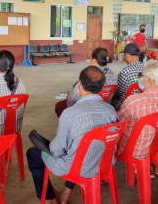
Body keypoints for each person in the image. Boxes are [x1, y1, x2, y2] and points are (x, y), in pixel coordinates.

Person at [27, 66, 118, 204]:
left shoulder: (70, 114)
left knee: (34, 153)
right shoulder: (111, 111)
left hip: (76, 168)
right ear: (101, 88)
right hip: (103, 163)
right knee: (80, 149)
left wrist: (47, 147)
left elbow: (56, 150)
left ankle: (50, 198)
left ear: (79, 85)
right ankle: (64, 194)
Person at [117, 60, 158, 175]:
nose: (140, 79)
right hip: (155, 149)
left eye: (141, 76)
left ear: (149, 80)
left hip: (133, 151)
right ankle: (148, 166)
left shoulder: (134, 100)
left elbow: (118, 123)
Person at [111, 43, 144, 110]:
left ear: (127, 56)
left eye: (124, 55)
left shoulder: (125, 72)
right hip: (142, 102)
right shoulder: (146, 68)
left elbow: (118, 93)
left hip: (126, 105)